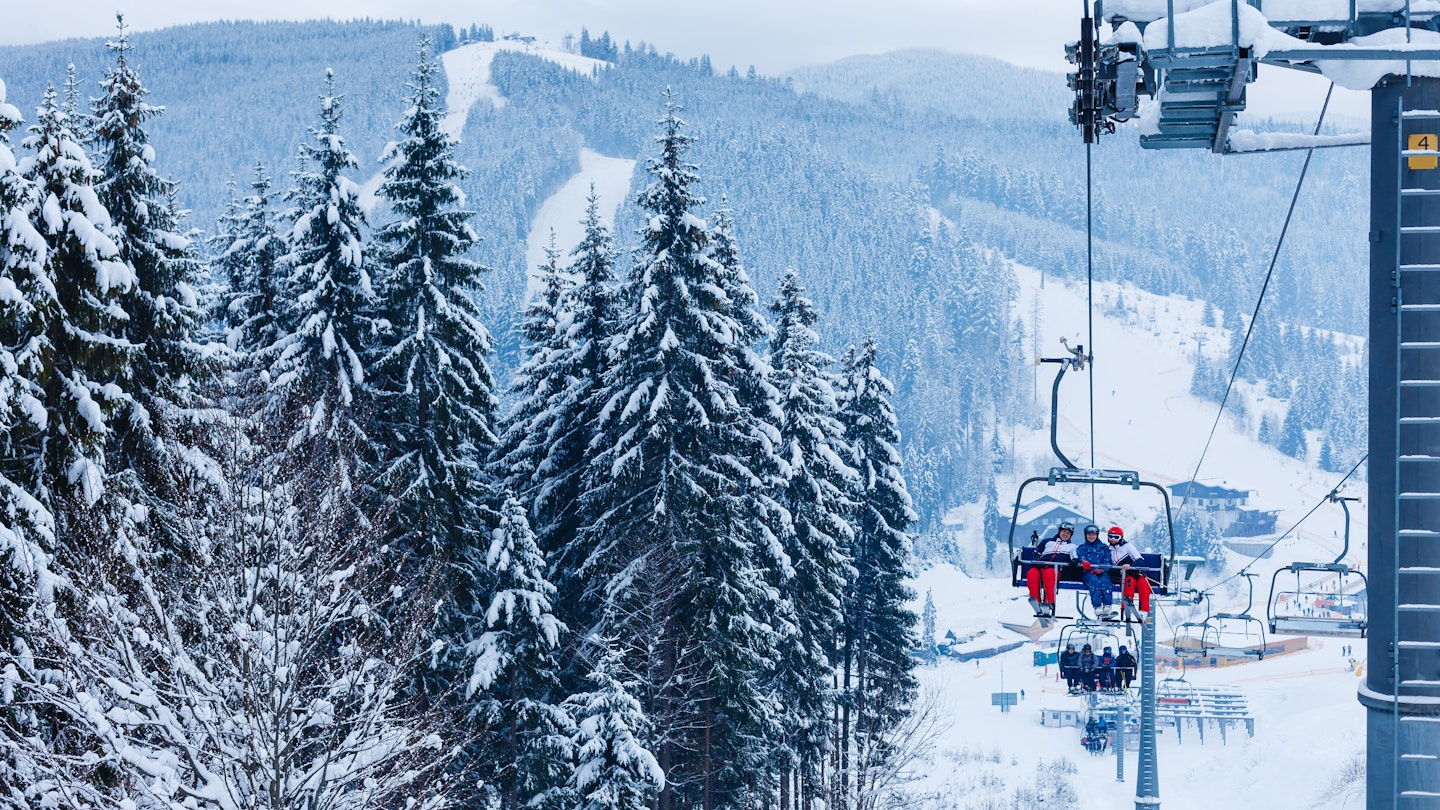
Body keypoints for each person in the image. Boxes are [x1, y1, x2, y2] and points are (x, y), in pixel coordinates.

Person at [1026, 522, 1077, 617]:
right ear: (1059, 532)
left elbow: (1074, 557)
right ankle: (1036, 601)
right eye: (1064, 532)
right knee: (1032, 573)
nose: (1065, 534)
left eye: (1068, 533)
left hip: (1056, 570)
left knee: (1049, 573)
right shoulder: (1047, 542)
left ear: (1070, 536)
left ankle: (1049, 603)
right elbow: (1036, 553)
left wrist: (1074, 561)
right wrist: (1035, 559)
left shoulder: (1072, 547)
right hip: (1041, 567)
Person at [1106, 525, 1154, 620]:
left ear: (1121, 537)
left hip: (1135, 572)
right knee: (1128, 582)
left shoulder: (1128, 547)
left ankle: (1143, 611)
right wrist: (1118, 571)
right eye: (1111, 537)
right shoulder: (1109, 551)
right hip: (1125, 575)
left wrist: (1130, 566)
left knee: (1143, 584)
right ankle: (1126, 609)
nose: (1113, 539)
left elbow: (1140, 559)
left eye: (1116, 537)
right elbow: (1109, 566)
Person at [1076, 524, 1117, 619]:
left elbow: (1108, 560)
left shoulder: (1103, 547)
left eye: (1093, 534)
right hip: (1089, 573)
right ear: (1085, 535)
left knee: (1105, 582)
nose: (1091, 536)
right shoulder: (1082, 548)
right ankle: (1097, 606)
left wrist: (1103, 569)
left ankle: (1107, 606)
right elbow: (1081, 557)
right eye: (1089, 534)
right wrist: (1084, 563)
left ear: (1097, 535)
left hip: (1102, 572)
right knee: (1094, 582)